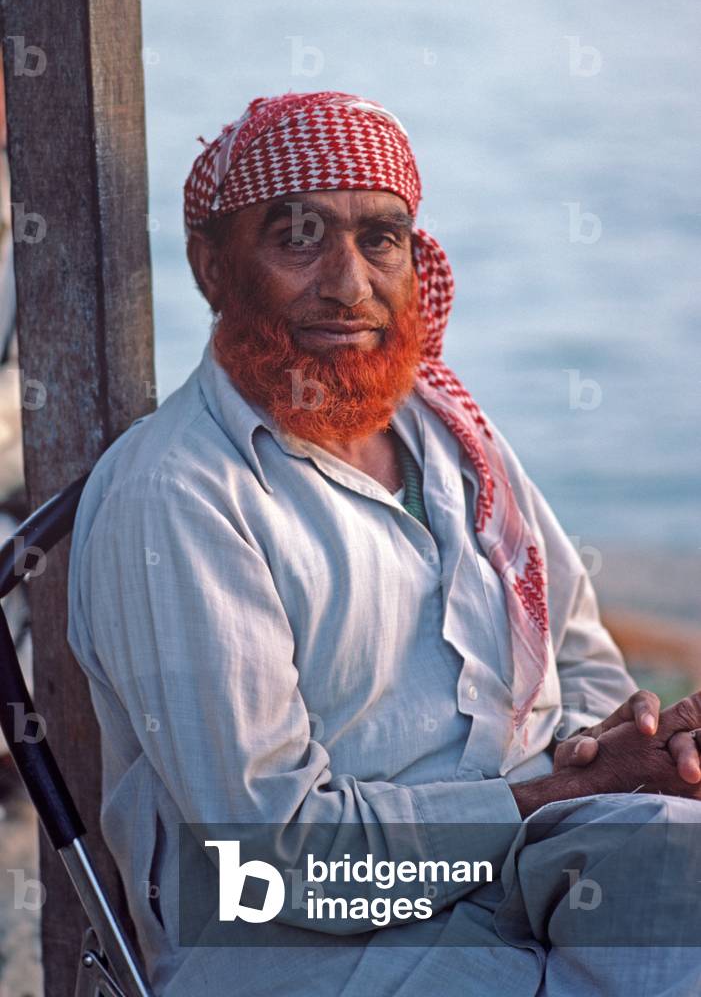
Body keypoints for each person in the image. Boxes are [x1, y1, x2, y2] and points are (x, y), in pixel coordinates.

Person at [66, 91, 701, 997]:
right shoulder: (177, 497)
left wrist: (626, 748)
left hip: (531, 865)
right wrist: (548, 799)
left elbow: (575, 657)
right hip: (311, 954)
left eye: (380, 239)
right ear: (213, 266)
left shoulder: (449, 432)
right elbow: (275, 866)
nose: (348, 284)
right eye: (298, 237)